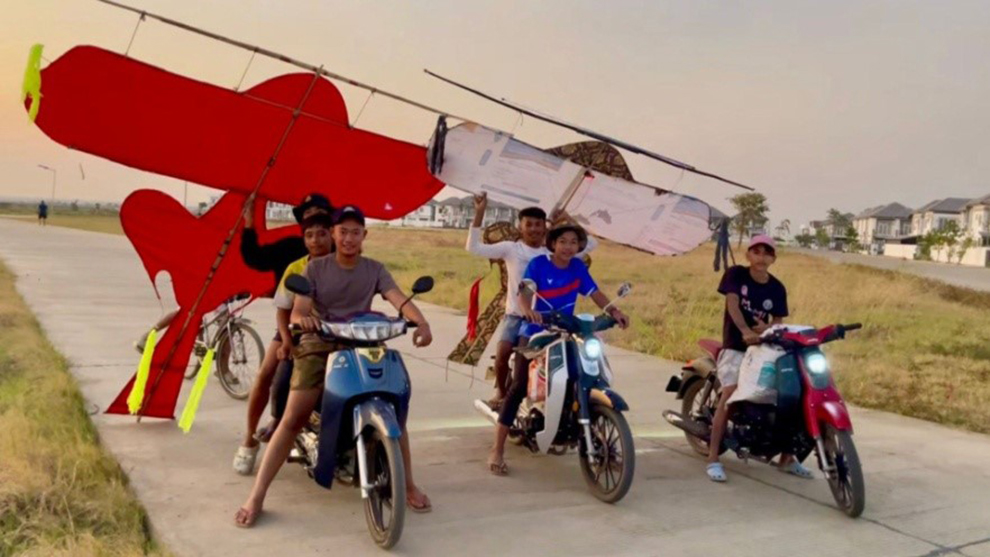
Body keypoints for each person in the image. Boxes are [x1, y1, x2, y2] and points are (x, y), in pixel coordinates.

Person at [235, 205, 434, 528]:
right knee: (294, 416)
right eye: (343, 231)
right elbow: (297, 312)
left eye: (356, 232)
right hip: (321, 341)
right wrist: (307, 321)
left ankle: (407, 483)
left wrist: (421, 323)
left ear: (364, 236)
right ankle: (256, 496)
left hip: (363, 341)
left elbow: (399, 299)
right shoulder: (315, 269)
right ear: (335, 235)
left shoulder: (375, 269)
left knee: (394, 410)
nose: (349, 238)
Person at [487, 223, 629, 476]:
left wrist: (614, 311)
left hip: (567, 330)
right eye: (562, 241)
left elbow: (595, 293)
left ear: (579, 247)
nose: (568, 247)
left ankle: (588, 436)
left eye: (573, 242)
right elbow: (525, 290)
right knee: (518, 386)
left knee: (582, 376)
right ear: (553, 243)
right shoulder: (539, 264)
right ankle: (497, 449)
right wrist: (528, 310)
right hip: (535, 332)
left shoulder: (577, 267)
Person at [232, 193, 334, 475]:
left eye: (320, 218)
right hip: (292, 327)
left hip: (338, 330)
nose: (315, 236)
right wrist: (249, 223)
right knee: (268, 374)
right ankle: (250, 439)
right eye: (308, 221)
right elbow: (255, 259)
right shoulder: (292, 253)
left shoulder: (344, 254)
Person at [465, 193, 597, 408]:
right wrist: (479, 213)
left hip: (546, 320)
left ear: (545, 229)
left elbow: (590, 244)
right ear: (520, 227)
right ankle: (500, 391)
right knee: (503, 353)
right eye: (529, 225)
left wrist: (567, 219)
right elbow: (474, 248)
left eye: (538, 225)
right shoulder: (510, 248)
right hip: (516, 315)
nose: (534, 229)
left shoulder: (552, 252)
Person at [705, 235, 811, 482]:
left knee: (789, 394)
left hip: (763, 349)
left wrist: (766, 330)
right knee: (729, 394)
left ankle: (787, 457)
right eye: (756, 251)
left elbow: (777, 321)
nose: (761, 256)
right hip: (736, 345)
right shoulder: (735, 275)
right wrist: (745, 331)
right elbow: (732, 305)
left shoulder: (777, 287)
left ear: (773, 258)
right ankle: (712, 458)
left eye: (767, 253)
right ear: (748, 255)